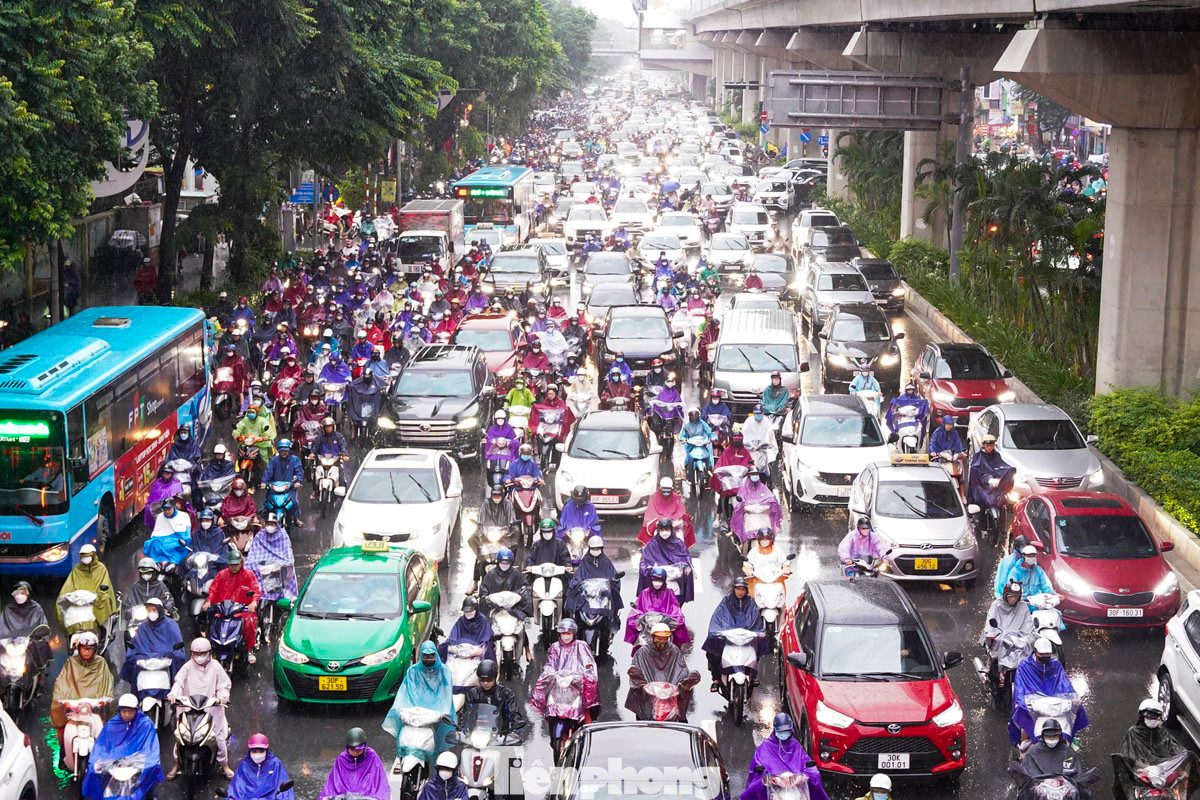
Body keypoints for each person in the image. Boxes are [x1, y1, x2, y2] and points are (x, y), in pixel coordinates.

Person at [167, 638, 232, 778]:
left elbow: (223, 685)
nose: (199, 656)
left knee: (218, 738)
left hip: (211, 709)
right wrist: (173, 694)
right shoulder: (187, 667)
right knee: (180, 737)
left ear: (209, 653)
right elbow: (178, 683)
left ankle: (224, 764)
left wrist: (223, 697)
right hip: (189, 709)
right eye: (196, 653)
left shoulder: (216, 667)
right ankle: (177, 764)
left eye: (202, 653)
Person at [382, 641, 455, 763]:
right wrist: (400, 708)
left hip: (436, 712)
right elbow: (406, 691)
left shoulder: (444, 671)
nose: (429, 659)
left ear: (436, 655)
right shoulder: (412, 671)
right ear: (421, 656)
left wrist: (443, 711)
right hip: (416, 713)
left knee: (441, 744)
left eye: (431, 656)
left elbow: (445, 694)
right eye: (426, 656)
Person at [82, 693, 164, 800]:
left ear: (136, 711)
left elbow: (150, 748)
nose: (127, 714)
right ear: (119, 711)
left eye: (130, 711)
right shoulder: (111, 725)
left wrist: (140, 761)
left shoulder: (145, 724)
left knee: (150, 769)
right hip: (114, 759)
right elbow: (101, 746)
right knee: (94, 768)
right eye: (124, 711)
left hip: (138, 759)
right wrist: (99, 761)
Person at [1009, 637, 1089, 746]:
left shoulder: (1056, 665)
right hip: (1033, 703)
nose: (1045, 657)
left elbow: (1065, 684)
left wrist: (1073, 699)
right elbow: (1020, 689)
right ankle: (1024, 746)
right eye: (1042, 654)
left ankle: (1068, 739)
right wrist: (1023, 702)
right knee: (1022, 715)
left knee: (1076, 711)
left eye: (1047, 654)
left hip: (1055, 703)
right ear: (1035, 651)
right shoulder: (1024, 666)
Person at [1113, 699, 1198, 799]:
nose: (1153, 720)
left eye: (1156, 717)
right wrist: (1140, 768)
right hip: (1142, 775)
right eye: (1150, 717)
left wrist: (1185, 758)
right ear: (1142, 716)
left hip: (1163, 774)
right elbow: (1126, 756)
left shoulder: (1163, 734)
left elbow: (1177, 750)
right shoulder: (1133, 733)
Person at [741, 713, 829, 800]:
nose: (783, 734)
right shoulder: (766, 747)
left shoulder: (795, 746)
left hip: (796, 789)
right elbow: (757, 767)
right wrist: (771, 778)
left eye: (786, 731)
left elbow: (807, 764)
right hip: (774, 789)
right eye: (781, 731)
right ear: (775, 730)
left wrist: (804, 776)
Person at [51, 631, 115, 749]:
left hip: (95, 710)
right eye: (84, 648)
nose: (86, 652)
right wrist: (61, 699)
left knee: (106, 731)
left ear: (95, 649)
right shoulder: (71, 662)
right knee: (64, 731)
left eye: (90, 649)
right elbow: (62, 682)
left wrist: (105, 699)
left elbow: (107, 684)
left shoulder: (101, 663)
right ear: (79, 648)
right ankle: (64, 751)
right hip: (75, 711)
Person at [625, 623, 700, 722]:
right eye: (659, 638)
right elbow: (636, 669)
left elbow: (681, 670)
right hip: (649, 695)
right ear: (653, 636)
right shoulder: (642, 653)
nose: (662, 641)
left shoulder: (674, 650)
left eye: (664, 638)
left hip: (670, 693)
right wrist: (643, 684)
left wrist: (683, 683)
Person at [530, 619, 601, 724]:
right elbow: (550, 664)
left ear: (574, 634)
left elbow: (588, 664)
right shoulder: (555, 647)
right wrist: (546, 675)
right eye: (563, 633)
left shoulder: (582, 646)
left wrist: (585, 675)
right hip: (559, 684)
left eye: (568, 634)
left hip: (577, 684)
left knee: (589, 693)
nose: (566, 636)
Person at [703, 578, 767, 690]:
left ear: (746, 590)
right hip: (729, 636)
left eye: (743, 589)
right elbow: (718, 617)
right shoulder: (726, 601)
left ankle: (752, 674)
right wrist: (717, 631)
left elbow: (756, 620)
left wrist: (758, 633)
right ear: (734, 589)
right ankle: (716, 678)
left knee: (759, 646)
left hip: (746, 636)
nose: (740, 592)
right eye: (738, 589)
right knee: (712, 650)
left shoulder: (751, 603)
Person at [119, 597, 184, 708]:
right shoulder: (143, 627)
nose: (152, 613)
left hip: (165, 666)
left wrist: (173, 655)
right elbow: (135, 646)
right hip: (146, 667)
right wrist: (133, 655)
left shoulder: (171, 625)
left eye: (154, 610)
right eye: (149, 610)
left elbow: (178, 648)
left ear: (160, 610)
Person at [203, 550, 261, 663]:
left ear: (241, 563)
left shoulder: (248, 575)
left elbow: (255, 591)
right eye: (231, 564)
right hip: (224, 610)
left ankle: (249, 649)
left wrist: (253, 602)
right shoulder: (221, 575)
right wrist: (209, 601)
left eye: (236, 564)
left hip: (242, 610)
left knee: (248, 624)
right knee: (213, 624)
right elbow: (213, 590)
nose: (233, 567)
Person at [56, 544, 119, 638]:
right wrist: (67, 596)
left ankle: (103, 634)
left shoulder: (101, 569)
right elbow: (69, 586)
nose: (85, 558)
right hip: (78, 602)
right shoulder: (77, 569)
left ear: (93, 556)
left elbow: (104, 586)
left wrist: (98, 597)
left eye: (87, 556)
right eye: (83, 556)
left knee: (104, 607)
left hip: (96, 602)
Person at [565, 536, 624, 635]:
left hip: (602, 597)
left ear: (601, 548)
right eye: (593, 548)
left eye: (598, 548)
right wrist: (576, 583)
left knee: (613, 603)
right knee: (574, 606)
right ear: (589, 548)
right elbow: (578, 576)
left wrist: (614, 580)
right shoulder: (585, 562)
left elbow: (613, 576)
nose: (595, 550)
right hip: (586, 598)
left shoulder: (606, 562)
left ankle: (609, 631)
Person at [1011, 719, 1089, 793]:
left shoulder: (1068, 753)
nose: (1051, 739)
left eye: (1054, 736)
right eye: (1048, 736)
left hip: (1064, 792)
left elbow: (1075, 775)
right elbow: (1026, 778)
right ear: (1043, 735)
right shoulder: (1032, 752)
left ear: (1059, 736)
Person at [245, 515, 300, 616]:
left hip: (278, 566)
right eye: (268, 523)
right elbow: (253, 552)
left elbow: (288, 554)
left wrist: (282, 564)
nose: (270, 526)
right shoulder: (260, 535)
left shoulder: (282, 535)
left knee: (285, 569)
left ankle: (282, 600)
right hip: (262, 564)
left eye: (272, 524)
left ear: (276, 524)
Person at [625, 566, 689, 649]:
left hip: (665, 627)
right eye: (655, 580)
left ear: (664, 580)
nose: (657, 583)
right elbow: (637, 610)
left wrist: (674, 619)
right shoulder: (644, 593)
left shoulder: (669, 593)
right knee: (638, 649)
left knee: (674, 648)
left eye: (659, 581)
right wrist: (638, 618)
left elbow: (675, 609)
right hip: (647, 628)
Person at [456, 660, 525, 737]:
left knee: (516, 743)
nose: (485, 683)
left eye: (489, 680)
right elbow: (465, 714)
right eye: (482, 680)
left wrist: (515, 730)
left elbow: (514, 713)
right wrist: (460, 730)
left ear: (495, 678)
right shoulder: (472, 694)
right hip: (477, 734)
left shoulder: (506, 693)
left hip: (501, 735)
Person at [318, 728, 390, 800]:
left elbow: (379, 781)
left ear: (364, 747)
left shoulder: (371, 756)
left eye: (358, 750)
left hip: (367, 796)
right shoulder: (342, 758)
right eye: (352, 750)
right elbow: (334, 783)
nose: (355, 753)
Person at [0, 581, 51, 675]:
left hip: (29, 642)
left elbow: (43, 628)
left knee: (40, 649)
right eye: (17, 593)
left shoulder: (36, 609)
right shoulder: (8, 609)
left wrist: (30, 640)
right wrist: (7, 643)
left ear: (28, 594)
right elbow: (2, 629)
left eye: (23, 593)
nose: (19, 596)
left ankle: (41, 677)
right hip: (11, 644)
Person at [639, 519, 695, 603]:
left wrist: (683, 567)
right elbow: (645, 561)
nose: (664, 532)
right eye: (662, 530)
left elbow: (686, 559)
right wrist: (648, 569)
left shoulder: (678, 544)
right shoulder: (652, 545)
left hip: (675, 579)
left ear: (671, 530)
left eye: (667, 529)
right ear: (658, 530)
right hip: (657, 578)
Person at [228, 734, 296, 800]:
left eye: (261, 751)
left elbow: (283, 785)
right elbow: (236, 787)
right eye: (254, 751)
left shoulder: (275, 763)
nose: (257, 754)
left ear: (266, 750)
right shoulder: (244, 765)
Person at [259, 438, 305, 528]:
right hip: (274, 488)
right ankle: (264, 518)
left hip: (289, 488)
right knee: (267, 503)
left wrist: (298, 481)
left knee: (294, 502)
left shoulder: (295, 460)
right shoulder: (274, 460)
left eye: (286, 451)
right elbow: (268, 472)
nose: (284, 453)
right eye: (282, 451)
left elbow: (299, 472)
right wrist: (264, 482)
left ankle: (295, 517)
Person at [729, 468, 782, 546]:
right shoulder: (743, 489)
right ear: (749, 476)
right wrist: (744, 506)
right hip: (749, 517)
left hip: (763, 517)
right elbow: (739, 504)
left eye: (756, 474)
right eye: (753, 474)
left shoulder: (763, 487)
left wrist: (769, 505)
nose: (755, 476)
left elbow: (771, 498)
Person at [967, 433, 1016, 513]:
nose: (989, 447)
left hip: (995, 486)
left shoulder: (996, 455)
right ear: (984, 445)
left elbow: (1002, 466)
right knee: (985, 500)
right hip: (982, 486)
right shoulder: (978, 457)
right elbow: (977, 472)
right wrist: (989, 480)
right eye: (987, 446)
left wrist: (1009, 472)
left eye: (991, 445)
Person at [639, 477, 694, 546]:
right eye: (664, 489)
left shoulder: (676, 497)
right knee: (654, 538)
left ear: (672, 489)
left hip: (673, 524)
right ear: (660, 488)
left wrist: (678, 519)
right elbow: (650, 512)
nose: (666, 492)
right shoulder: (654, 497)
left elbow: (681, 511)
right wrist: (658, 521)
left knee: (680, 537)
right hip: (659, 524)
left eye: (668, 489)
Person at [440, 597, 495, 662]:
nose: (468, 613)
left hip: (476, 650)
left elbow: (486, 639)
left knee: (489, 653)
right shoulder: (461, 620)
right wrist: (454, 648)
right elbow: (453, 637)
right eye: (466, 611)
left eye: (470, 611)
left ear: (476, 609)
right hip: (460, 650)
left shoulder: (482, 621)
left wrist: (480, 648)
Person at [144, 464, 184, 528]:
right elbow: (152, 499)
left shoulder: (176, 483)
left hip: (174, 510)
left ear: (172, 474)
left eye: (168, 474)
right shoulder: (157, 484)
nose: (166, 476)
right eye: (164, 474)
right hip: (160, 510)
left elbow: (180, 498)